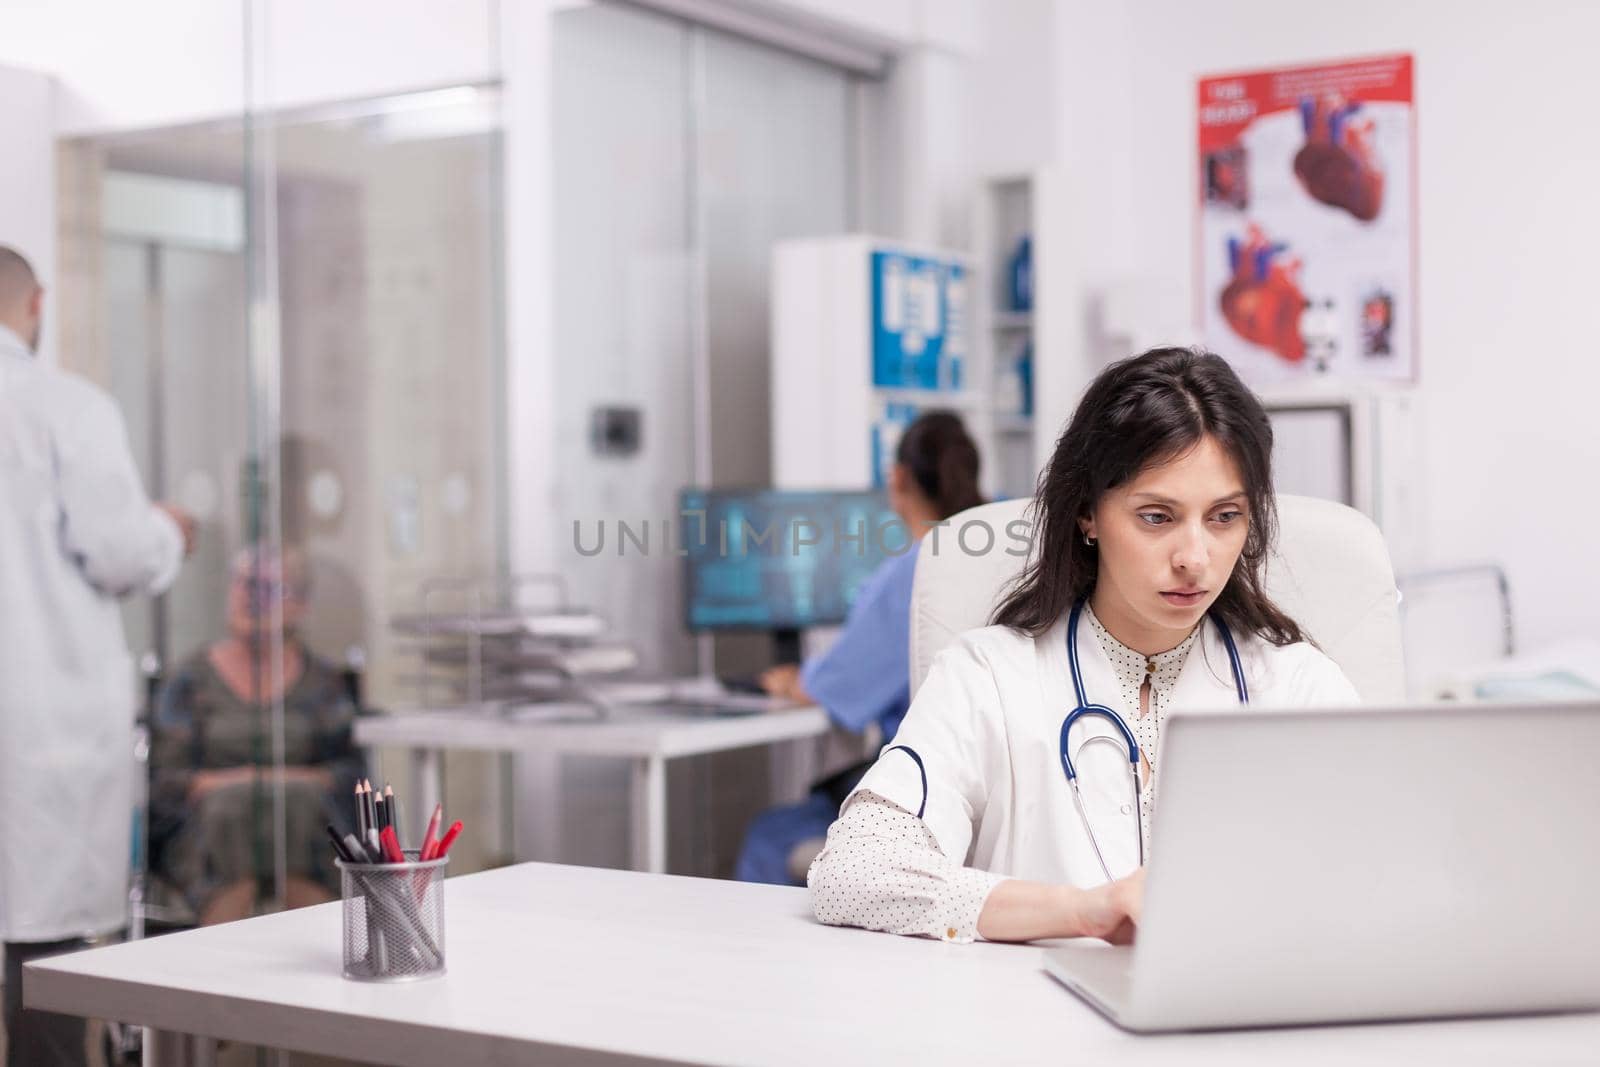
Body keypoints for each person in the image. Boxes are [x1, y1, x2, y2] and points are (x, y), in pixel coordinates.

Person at [808, 347, 1359, 944]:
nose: (1195, 558)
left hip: (1239, 1026)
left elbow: (1387, 879)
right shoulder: (991, 676)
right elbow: (851, 874)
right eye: (1156, 517)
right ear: (1088, 515)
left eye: (1225, 516)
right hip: (1028, 1027)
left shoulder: (1302, 687)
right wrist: (1083, 911)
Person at [0, 245, 196, 1066]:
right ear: (37, 302)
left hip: (35, 736)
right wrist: (170, 531)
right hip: (41, 729)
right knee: (40, 968)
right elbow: (120, 553)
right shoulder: (63, 408)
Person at [734, 412, 984, 884]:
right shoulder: (993, 552)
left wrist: (795, 680)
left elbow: (839, 687)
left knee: (769, 835)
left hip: (924, 793)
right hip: (980, 790)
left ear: (898, 479)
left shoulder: (918, 569)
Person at [148, 547, 365, 926]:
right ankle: (220, 962)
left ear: (299, 605)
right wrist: (251, 783)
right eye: (243, 584)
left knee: (297, 805)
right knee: (232, 809)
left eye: (268, 587)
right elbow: (167, 780)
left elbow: (350, 775)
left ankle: (315, 951)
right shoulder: (189, 681)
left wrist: (269, 783)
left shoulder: (324, 682)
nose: (251, 597)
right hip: (206, 830)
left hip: (308, 822)